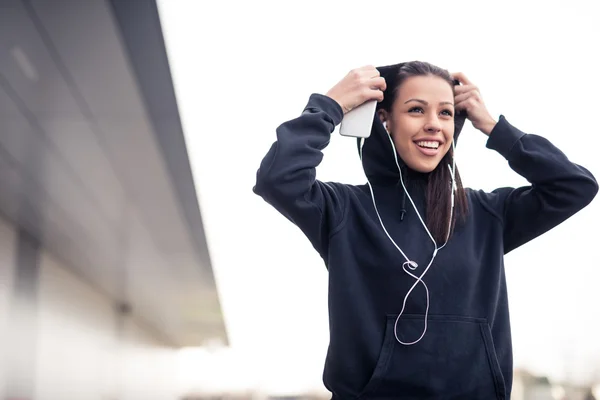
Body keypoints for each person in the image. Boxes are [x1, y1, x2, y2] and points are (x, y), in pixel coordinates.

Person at [253, 61, 598, 399]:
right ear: (385, 120)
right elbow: (277, 178)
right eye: (417, 110)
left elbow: (574, 186)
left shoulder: (486, 214)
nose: (434, 125)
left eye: (445, 113)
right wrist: (330, 106)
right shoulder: (344, 209)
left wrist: (493, 126)